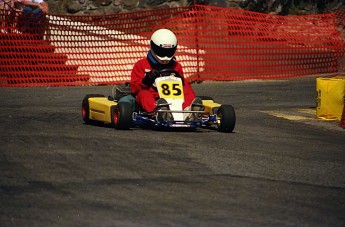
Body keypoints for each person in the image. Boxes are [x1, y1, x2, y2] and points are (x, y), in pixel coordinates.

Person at [128, 28, 203, 120]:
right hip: (153, 97)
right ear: (153, 46)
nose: (165, 56)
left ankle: (188, 111)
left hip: (175, 98)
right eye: (161, 52)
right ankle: (159, 112)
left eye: (168, 52)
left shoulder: (176, 66)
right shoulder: (141, 65)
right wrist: (146, 81)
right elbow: (134, 89)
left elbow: (183, 85)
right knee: (143, 94)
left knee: (187, 89)